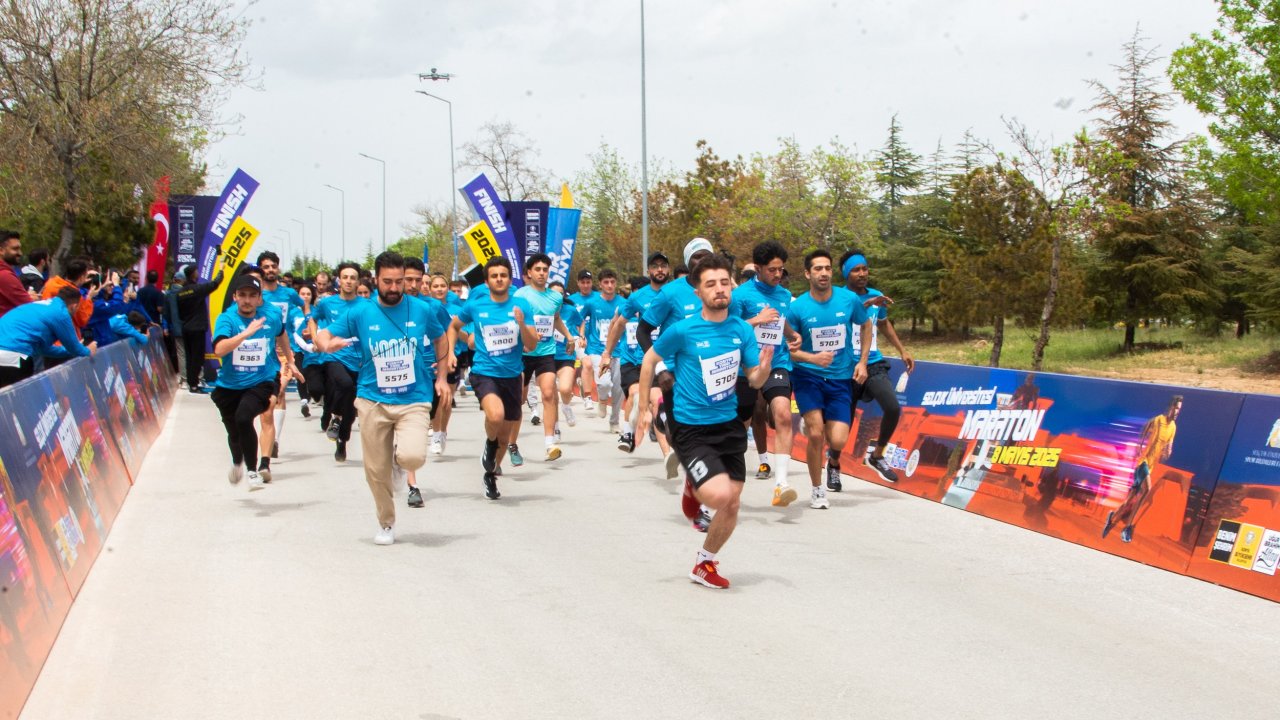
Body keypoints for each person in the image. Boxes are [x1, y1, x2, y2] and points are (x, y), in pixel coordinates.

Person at [637, 253, 774, 590]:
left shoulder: (742, 329)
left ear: (732, 286)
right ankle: (696, 484)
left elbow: (754, 379)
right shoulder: (683, 330)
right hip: (691, 427)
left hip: (727, 425)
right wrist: (643, 407)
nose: (719, 289)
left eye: (724, 283)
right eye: (710, 284)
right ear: (698, 291)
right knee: (721, 495)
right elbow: (649, 358)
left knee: (734, 502)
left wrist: (764, 369)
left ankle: (704, 562)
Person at [315, 251, 450, 545]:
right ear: (376, 280)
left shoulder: (422, 310)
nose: (393, 288)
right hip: (372, 398)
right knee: (376, 471)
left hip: (413, 397)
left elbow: (441, 337)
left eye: (399, 282)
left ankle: (400, 464)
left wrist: (441, 377)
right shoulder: (360, 312)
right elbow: (323, 335)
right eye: (387, 282)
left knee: (413, 454)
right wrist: (326, 345)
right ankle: (386, 523)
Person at [639, 238, 718, 527]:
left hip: (711, 374)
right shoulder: (671, 293)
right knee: (687, 435)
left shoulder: (722, 290)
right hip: (675, 374)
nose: (701, 261)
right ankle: (702, 502)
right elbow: (643, 331)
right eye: (695, 257)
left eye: (706, 256)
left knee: (709, 439)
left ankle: (694, 485)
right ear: (688, 263)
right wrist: (659, 366)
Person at [785, 249, 871, 508]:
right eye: (818, 269)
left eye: (827, 268)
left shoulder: (848, 300)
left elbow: (866, 325)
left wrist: (863, 362)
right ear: (807, 273)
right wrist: (813, 359)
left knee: (838, 441)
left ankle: (816, 427)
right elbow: (790, 352)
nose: (823, 273)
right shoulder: (797, 308)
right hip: (808, 377)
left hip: (840, 378)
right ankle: (817, 489)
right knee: (815, 434)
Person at [451, 257, 538, 500]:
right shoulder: (476, 306)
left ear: (510, 279)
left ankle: (490, 474)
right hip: (484, 371)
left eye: (503, 275)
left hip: (512, 375)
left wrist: (522, 324)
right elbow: (453, 325)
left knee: (505, 434)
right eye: (494, 276)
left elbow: (530, 346)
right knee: (495, 415)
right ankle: (489, 444)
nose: (499, 279)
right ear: (487, 281)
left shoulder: (522, 305)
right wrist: (452, 349)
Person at [210, 275, 295, 491]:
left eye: (252, 296)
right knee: (234, 431)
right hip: (229, 385)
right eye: (243, 295)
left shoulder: (271, 316)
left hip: (261, 381)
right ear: (235, 297)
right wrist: (246, 333)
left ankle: (252, 470)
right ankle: (237, 460)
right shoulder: (227, 319)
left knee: (244, 417)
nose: (247, 300)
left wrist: (291, 362)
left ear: (259, 299)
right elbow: (219, 349)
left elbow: (282, 334)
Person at [731, 241, 800, 506]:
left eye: (781, 270)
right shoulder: (741, 296)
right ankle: (728, 477)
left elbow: (780, 321)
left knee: (783, 413)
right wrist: (755, 321)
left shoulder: (783, 295)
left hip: (777, 362)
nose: (777, 275)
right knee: (739, 428)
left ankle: (781, 483)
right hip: (746, 367)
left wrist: (793, 335)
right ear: (758, 268)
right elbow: (730, 329)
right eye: (772, 270)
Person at [840, 249, 915, 483]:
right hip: (845, 367)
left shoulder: (876, 295)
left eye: (864, 269)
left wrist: (902, 350)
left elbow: (883, 324)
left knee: (892, 407)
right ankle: (833, 463)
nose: (862, 274)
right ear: (846, 274)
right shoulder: (838, 298)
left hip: (872, 362)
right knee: (844, 425)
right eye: (856, 270)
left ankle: (878, 455)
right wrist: (868, 303)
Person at [601, 252, 671, 457]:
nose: (659, 269)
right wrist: (607, 353)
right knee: (634, 394)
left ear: (668, 269)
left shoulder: (674, 293)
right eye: (655, 266)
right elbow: (619, 324)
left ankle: (668, 455)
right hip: (634, 359)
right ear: (648, 270)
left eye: (663, 266)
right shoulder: (637, 297)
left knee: (657, 404)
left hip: (661, 361)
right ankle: (628, 433)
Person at [514, 253, 573, 462]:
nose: (541, 273)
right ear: (529, 273)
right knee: (518, 400)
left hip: (546, 352)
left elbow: (555, 319)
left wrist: (568, 337)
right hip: (523, 353)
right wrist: (528, 333)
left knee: (548, 393)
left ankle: (550, 443)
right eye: (537, 269)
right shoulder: (520, 295)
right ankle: (512, 443)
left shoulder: (555, 298)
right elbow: (514, 323)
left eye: (545, 270)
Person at [1102, 395, 1182, 544]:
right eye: (1176, 408)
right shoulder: (1157, 420)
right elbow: (1143, 434)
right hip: (1142, 462)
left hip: (1150, 466)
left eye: (1179, 410)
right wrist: (1139, 449)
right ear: (1170, 407)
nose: (1177, 412)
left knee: (1129, 501)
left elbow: (1169, 445)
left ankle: (1112, 518)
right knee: (1147, 489)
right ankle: (1128, 527)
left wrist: (1168, 451)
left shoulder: (1173, 427)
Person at [255, 252, 305, 479]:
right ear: (261, 270)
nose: (270, 270)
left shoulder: (288, 293)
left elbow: (303, 306)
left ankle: (274, 439)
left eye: (273, 266)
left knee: (281, 391)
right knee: (272, 397)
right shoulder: (256, 294)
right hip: (263, 349)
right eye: (266, 267)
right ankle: (269, 436)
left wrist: (302, 325)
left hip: (284, 348)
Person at [309, 263, 364, 462]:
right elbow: (313, 320)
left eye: (353, 277)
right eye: (345, 277)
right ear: (339, 281)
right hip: (334, 357)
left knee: (352, 406)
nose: (349, 280)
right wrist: (317, 339)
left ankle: (342, 439)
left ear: (358, 282)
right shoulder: (327, 303)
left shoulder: (365, 306)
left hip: (358, 360)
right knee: (344, 384)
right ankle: (334, 416)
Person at [0, 286, 95, 387]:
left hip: (8, 351)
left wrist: (70, 351)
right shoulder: (61, 313)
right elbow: (74, 347)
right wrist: (88, 351)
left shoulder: (41, 305)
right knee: (20, 397)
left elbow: (44, 349)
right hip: (15, 356)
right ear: (74, 306)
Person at [580, 269, 626, 432]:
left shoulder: (623, 302)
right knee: (604, 382)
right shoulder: (592, 303)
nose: (609, 285)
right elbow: (579, 320)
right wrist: (581, 335)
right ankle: (602, 398)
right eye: (606, 282)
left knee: (618, 388)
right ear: (600, 284)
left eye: (612, 282)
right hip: (597, 350)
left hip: (619, 350)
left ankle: (614, 422)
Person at [176, 264, 226, 393]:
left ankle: (191, 382)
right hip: (197, 328)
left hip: (186, 327)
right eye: (197, 271)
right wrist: (221, 269)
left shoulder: (180, 293)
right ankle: (194, 385)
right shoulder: (196, 289)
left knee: (189, 357)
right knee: (197, 358)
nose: (198, 273)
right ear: (193, 274)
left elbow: (180, 313)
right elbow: (215, 283)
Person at [550, 281, 582, 433]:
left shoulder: (570, 310)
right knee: (550, 395)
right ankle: (555, 427)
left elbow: (581, 323)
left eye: (560, 293)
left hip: (566, 354)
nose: (557, 296)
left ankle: (567, 406)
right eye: (553, 293)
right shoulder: (542, 309)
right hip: (547, 356)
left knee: (565, 389)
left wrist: (580, 336)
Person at [570, 270, 599, 415]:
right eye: (583, 282)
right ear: (578, 283)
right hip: (577, 339)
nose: (586, 285)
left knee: (587, 366)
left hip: (594, 340)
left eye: (588, 282)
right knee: (583, 365)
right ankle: (584, 393)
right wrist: (580, 336)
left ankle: (584, 389)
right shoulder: (572, 300)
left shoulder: (598, 298)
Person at [39, 256, 93, 331]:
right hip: (64, 335)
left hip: (45, 329)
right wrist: (88, 298)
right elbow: (82, 320)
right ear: (81, 277)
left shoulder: (50, 283)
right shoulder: (74, 294)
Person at [0, 231, 32, 318]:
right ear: (1, 250)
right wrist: (33, 298)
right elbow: (30, 307)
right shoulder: (5, 276)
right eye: (15, 249)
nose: (20, 253)